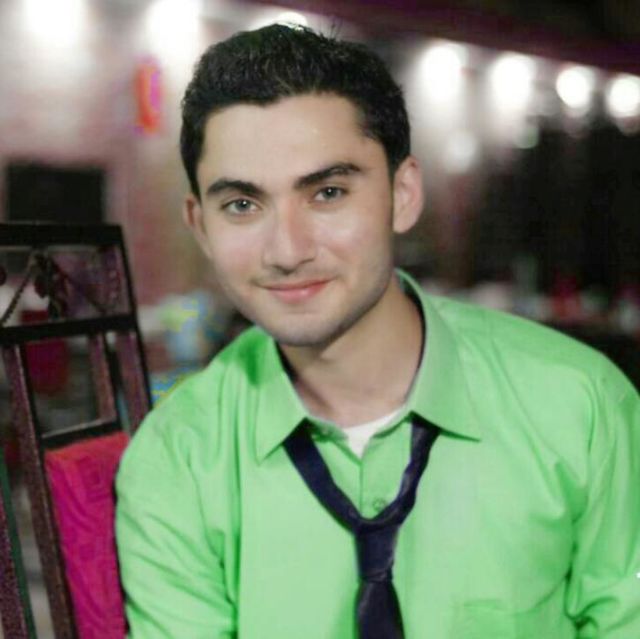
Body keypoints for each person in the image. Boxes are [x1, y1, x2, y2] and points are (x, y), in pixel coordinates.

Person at [115, 24, 640, 639]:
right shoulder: (178, 460)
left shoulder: (579, 405)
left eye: (327, 193)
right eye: (242, 205)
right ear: (200, 225)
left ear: (404, 193)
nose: (287, 250)